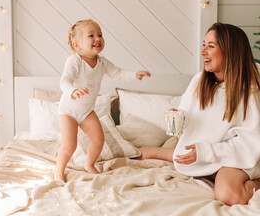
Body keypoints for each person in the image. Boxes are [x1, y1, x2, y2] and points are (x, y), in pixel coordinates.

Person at [136, 22, 260, 206]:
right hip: (202, 153)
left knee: (228, 195)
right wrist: (178, 117)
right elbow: (188, 117)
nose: (203, 52)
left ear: (231, 51)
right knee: (139, 153)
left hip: (235, 157)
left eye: (211, 47)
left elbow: (249, 143)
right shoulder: (199, 80)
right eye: (204, 45)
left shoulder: (251, 89)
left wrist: (207, 151)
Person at [55, 19, 151, 182]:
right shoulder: (74, 61)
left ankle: (89, 164)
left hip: (85, 111)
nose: (97, 38)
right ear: (77, 45)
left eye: (100, 35)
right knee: (69, 146)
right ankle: (58, 171)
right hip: (68, 111)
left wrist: (134, 75)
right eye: (91, 35)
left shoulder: (102, 62)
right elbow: (64, 81)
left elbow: (118, 73)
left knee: (98, 140)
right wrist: (73, 91)